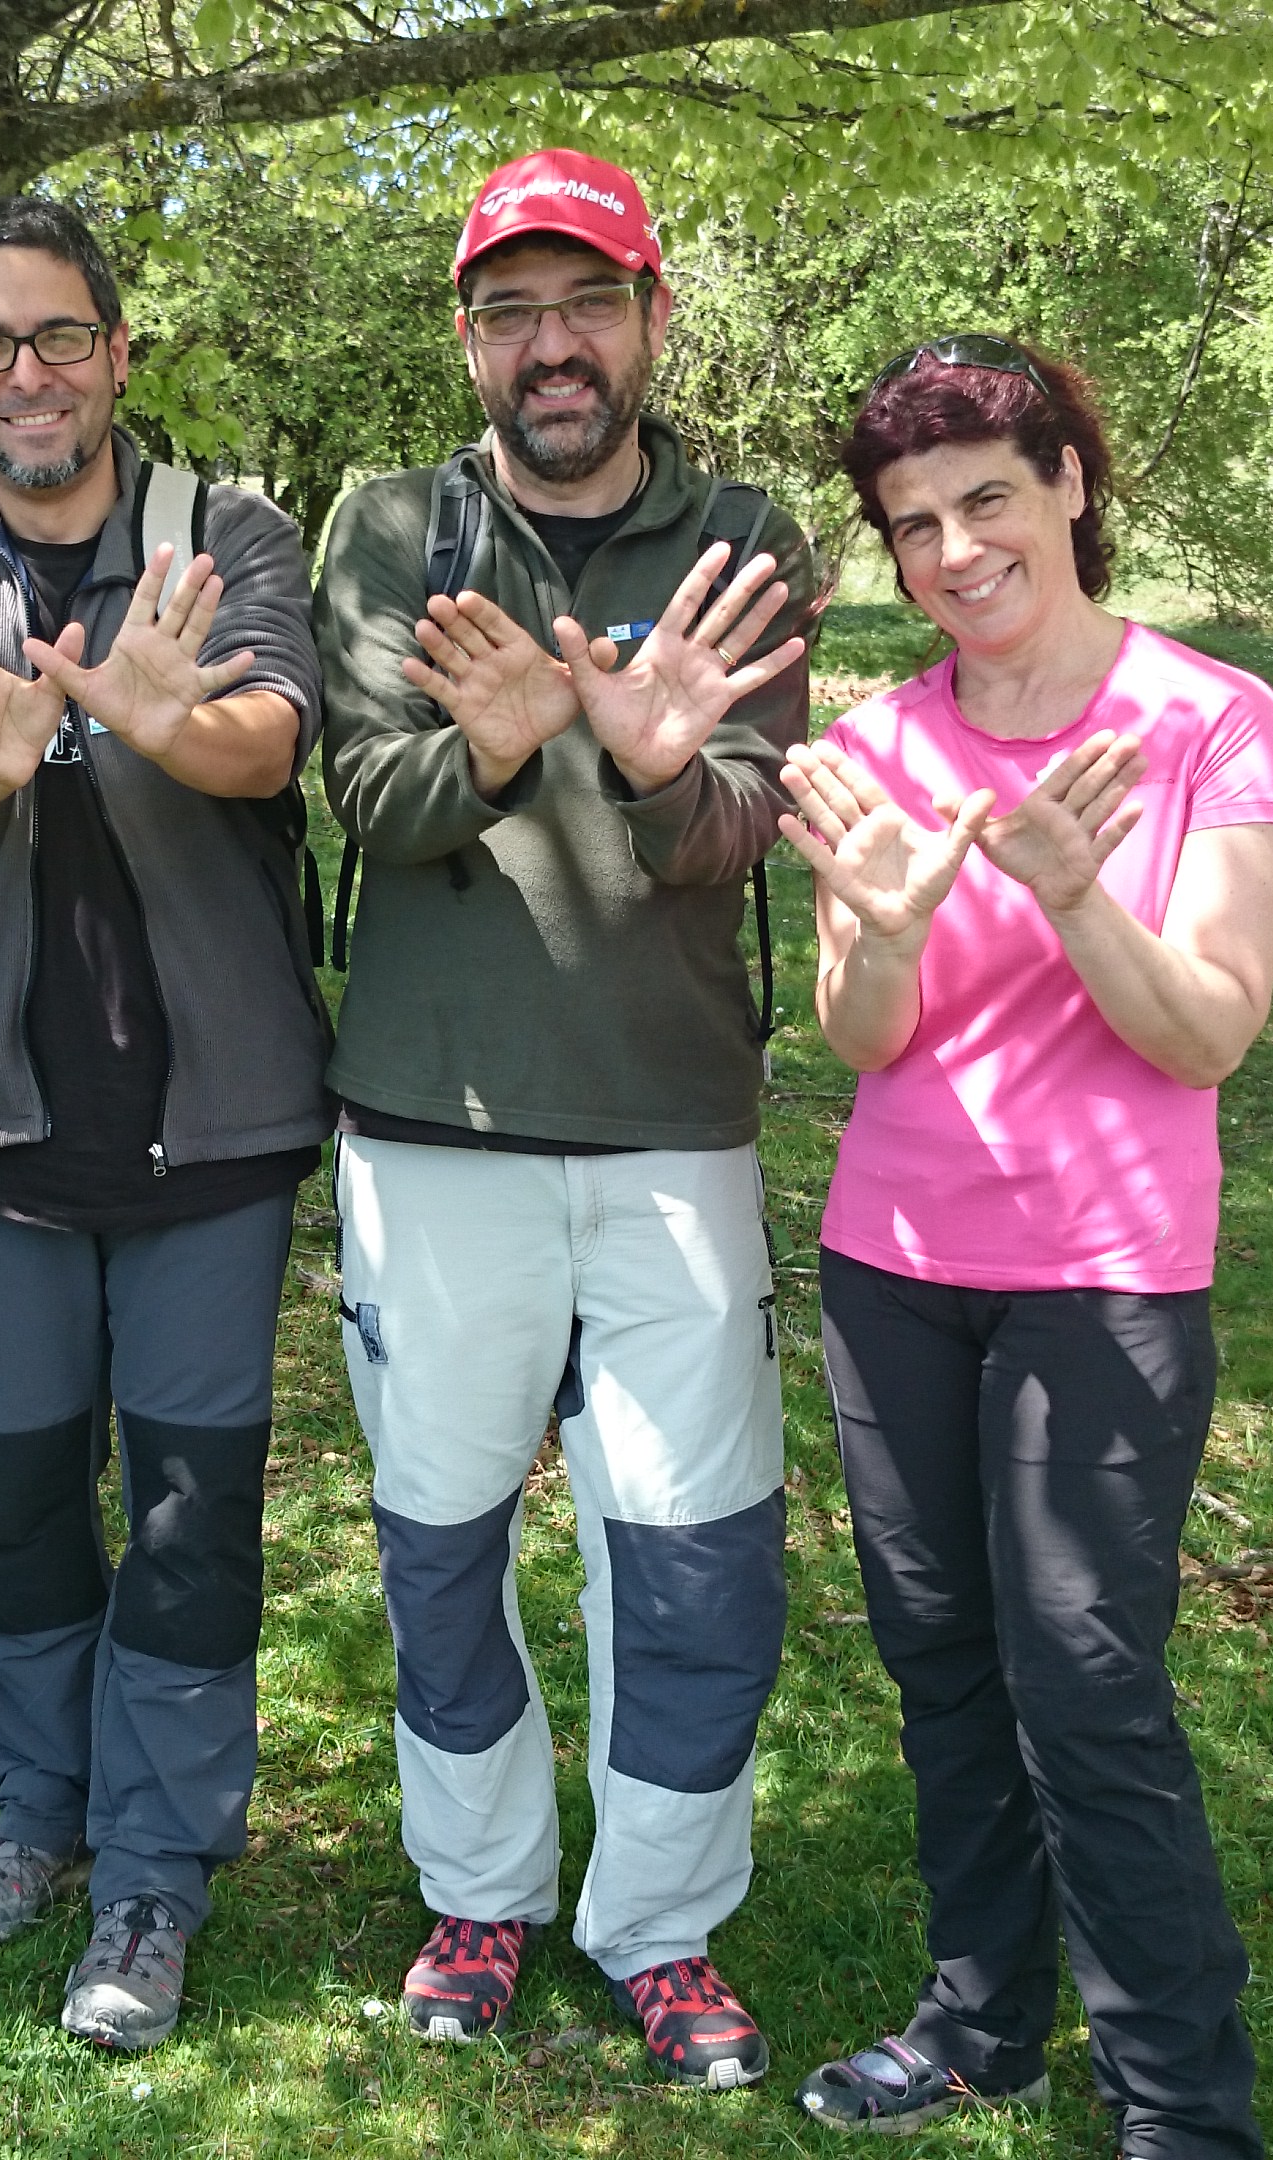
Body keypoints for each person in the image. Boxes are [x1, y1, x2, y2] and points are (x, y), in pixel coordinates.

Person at [313, 149, 819, 2092]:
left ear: (653, 318)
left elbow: (732, 837)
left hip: (672, 1129)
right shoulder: (392, 525)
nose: (551, 346)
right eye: (510, 311)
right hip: (432, 1136)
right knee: (445, 1541)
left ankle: (662, 1926)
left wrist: (656, 756)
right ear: (470, 338)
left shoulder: (741, 534)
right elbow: (376, 800)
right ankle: (484, 1891)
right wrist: (510, 736)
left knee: (693, 1555)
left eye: (585, 302)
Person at [0, 196, 327, 2054]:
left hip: (216, 1128)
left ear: (117, 351)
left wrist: (159, 718)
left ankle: (155, 1875)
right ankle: (39, 1816)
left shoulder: (234, 538)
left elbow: (269, 737)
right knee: (24, 1507)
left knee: (189, 1516)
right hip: (2, 1133)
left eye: (60, 337)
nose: (27, 374)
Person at [776, 337, 1273, 2159]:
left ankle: (1181, 2111)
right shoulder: (867, 751)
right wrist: (891, 925)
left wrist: (1073, 892)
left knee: (1085, 1679)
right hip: (896, 1261)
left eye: (988, 498)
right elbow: (858, 1038)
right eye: (911, 525)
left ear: (1071, 481)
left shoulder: (1209, 720)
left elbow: (1206, 1032)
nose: (953, 551)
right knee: (939, 1656)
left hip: (1110, 1277)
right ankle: (981, 2019)